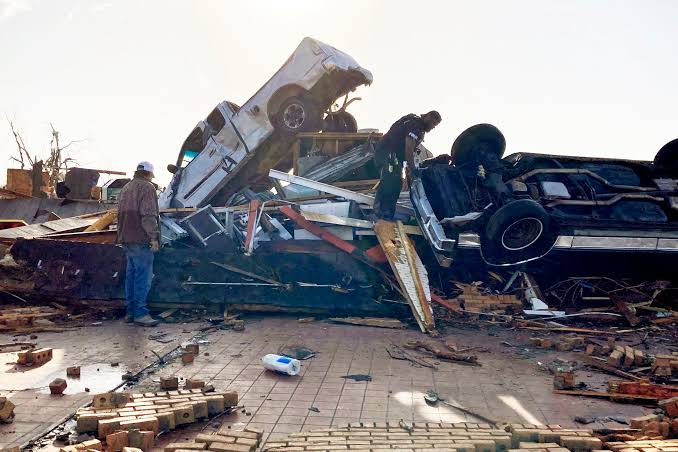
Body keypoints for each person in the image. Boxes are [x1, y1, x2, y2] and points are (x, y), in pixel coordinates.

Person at [373, 111, 441, 220]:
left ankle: (385, 214)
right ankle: (381, 215)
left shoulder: (413, 122)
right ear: (428, 117)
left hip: (390, 154)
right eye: (433, 123)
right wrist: (413, 168)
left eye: (435, 125)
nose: (433, 127)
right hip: (388, 154)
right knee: (391, 182)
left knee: (395, 183)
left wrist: (408, 166)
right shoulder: (416, 126)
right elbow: (408, 148)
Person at [116, 161, 161, 327]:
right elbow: (148, 215)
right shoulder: (147, 188)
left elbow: (119, 215)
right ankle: (141, 314)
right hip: (141, 239)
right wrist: (154, 237)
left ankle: (130, 312)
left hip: (126, 238)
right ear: (149, 174)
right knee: (143, 277)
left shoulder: (126, 188)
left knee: (132, 276)